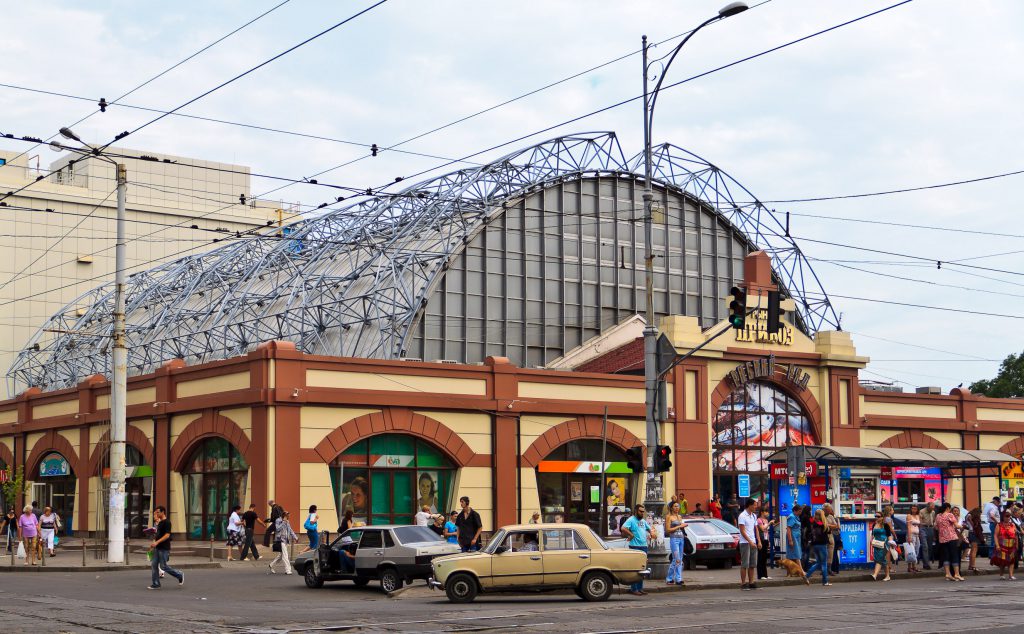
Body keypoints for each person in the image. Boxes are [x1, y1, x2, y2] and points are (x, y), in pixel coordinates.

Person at [148, 505, 184, 589]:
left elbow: (167, 535)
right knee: (154, 565)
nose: (157, 513)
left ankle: (179, 574)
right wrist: (154, 543)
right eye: (156, 512)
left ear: (163, 512)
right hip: (157, 547)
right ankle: (156, 584)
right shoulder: (160, 522)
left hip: (164, 548)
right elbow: (158, 534)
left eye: (158, 512)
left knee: (163, 566)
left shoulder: (167, 522)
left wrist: (156, 542)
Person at [620, 504, 653, 596]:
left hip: (644, 546)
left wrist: (652, 533)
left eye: (643, 511)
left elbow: (649, 529)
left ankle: (640, 588)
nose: (642, 513)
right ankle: (634, 589)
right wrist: (631, 535)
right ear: (636, 511)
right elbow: (623, 528)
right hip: (635, 546)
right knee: (636, 569)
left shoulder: (643, 521)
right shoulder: (631, 519)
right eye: (640, 511)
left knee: (642, 569)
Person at [935, 503, 965, 582]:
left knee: (946, 556)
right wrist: (963, 526)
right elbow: (956, 525)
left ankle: (948, 574)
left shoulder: (938, 516)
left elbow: (935, 526)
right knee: (954, 556)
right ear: (948, 508)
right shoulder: (949, 515)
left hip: (942, 539)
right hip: (951, 538)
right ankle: (957, 574)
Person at [736, 498, 760, 591]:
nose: (756, 507)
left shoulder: (754, 516)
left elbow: (756, 529)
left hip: (753, 542)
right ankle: (743, 583)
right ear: (749, 505)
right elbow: (742, 531)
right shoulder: (742, 516)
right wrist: (750, 541)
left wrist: (758, 541)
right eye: (754, 505)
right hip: (745, 542)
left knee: (752, 564)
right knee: (745, 563)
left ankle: (751, 582)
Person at [803, 508, 831, 586]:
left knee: (818, 562)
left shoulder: (812, 523)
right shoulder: (823, 524)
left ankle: (807, 575)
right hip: (822, 545)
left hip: (814, 545)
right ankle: (825, 581)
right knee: (824, 563)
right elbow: (828, 531)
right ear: (822, 515)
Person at [664, 501, 687, 586]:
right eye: (675, 506)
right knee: (676, 559)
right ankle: (669, 578)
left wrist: (683, 528)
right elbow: (667, 530)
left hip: (681, 538)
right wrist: (679, 526)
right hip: (674, 539)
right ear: (671, 508)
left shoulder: (680, 517)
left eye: (678, 506)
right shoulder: (669, 517)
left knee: (680, 559)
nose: (677, 508)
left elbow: (681, 528)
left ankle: (678, 578)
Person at [992, 510, 1018, 580]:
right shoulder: (999, 525)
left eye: (1009, 516)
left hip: (1011, 545)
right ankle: (1001, 575)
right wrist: (997, 545)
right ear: (1003, 517)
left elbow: (1015, 535)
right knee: (1003, 561)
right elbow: (995, 535)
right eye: (1006, 516)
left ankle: (1011, 575)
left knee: (1012, 560)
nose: (1008, 518)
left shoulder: (1013, 525)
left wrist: (1017, 544)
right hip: (1002, 545)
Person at [269, 510, 298, 575]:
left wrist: (295, 537)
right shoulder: (278, 520)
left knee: (281, 555)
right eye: (288, 516)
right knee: (285, 555)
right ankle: (288, 570)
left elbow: (290, 530)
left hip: (286, 540)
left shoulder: (287, 521)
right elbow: (277, 529)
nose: (289, 517)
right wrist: (283, 522)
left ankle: (271, 565)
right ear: (284, 515)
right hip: (280, 540)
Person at [869, 514, 891, 581]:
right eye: (875, 516)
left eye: (878, 516)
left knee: (881, 559)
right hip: (876, 544)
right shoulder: (874, 525)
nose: (876, 518)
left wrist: (891, 542)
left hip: (884, 543)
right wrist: (871, 540)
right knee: (881, 559)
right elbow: (873, 534)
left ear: (882, 517)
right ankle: (887, 576)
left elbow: (889, 535)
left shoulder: (885, 525)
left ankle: (875, 575)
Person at [756, 508, 776, 581]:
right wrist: (769, 523)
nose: (767, 513)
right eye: (766, 511)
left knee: (764, 557)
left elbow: (766, 530)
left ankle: (765, 575)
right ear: (762, 512)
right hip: (760, 540)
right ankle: (760, 575)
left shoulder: (766, 520)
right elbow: (762, 528)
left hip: (765, 540)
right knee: (760, 557)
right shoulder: (759, 520)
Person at [824, 504, 841, 575]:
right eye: (828, 510)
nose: (829, 511)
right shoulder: (820, 516)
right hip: (823, 537)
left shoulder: (831, 517)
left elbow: (836, 526)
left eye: (830, 510)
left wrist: (828, 525)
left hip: (830, 536)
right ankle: (824, 569)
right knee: (824, 554)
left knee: (831, 554)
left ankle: (829, 569)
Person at [919, 501, 936, 570]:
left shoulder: (933, 512)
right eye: (931, 508)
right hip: (923, 528)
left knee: (930, 547)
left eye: (933, 508)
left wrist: (934, 533)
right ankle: (926, 564)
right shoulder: (922, 511)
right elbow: (920, 522)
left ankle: (926, 562)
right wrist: (920, 532)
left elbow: (934, 521)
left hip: (931, 528)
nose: (932, 509)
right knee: (925, 547)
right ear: (927, 507)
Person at [966, 507, 983, 574]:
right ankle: (972, 565)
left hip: (971, 533)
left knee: (973, 550)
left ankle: (971, 565)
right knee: (974, 550)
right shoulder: (970, 516)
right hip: (973, 533)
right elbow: (973, 525)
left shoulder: (968, 515)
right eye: (979, 514)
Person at [906, 505, 922, 574]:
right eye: (912, 508)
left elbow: (919, 526)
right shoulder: (909, 516)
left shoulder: (918, 516)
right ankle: (909, 567)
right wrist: (909, 537)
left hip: (916, 535)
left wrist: (919, 534)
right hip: (911, 534)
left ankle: (914, 567)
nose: (914, 510)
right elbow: (909, 526)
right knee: (910, 551)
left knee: (916, 551)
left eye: (915, 509)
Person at [799, 504, 813, 571]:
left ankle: (801, 567)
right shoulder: (807, 517)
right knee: (806, 552)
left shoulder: (801, 516)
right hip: (806, 537)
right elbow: (809, 528)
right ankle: (805, 568)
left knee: (802, 552)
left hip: (801, 536)